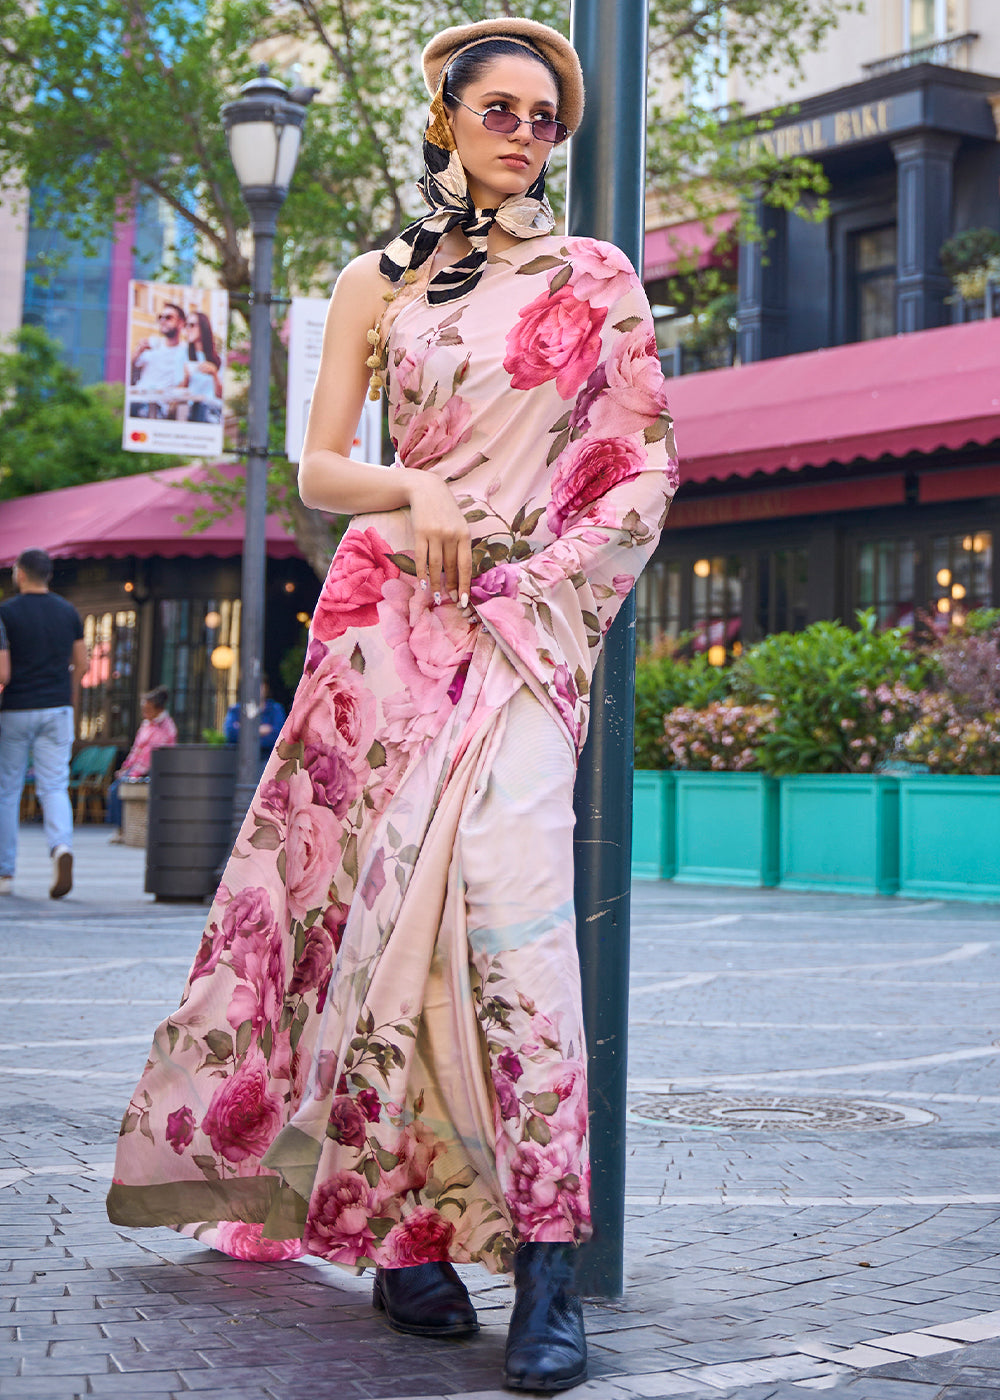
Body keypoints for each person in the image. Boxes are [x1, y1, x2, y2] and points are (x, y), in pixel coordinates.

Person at [108, 17, 677, 1394]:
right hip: (382, 635)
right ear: (447, 117)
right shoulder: (377, 277)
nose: (524, 134)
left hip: (525, 628)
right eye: (500, 109)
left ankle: (546, 1262)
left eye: (546, 117)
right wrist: (414, 486)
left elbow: (640, 468)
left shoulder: (595, 276)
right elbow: (319, 470)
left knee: (517, 935)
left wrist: (534, 581)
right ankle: (403, 1235)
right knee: (377, 933)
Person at [0, 548, 88, 898]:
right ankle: (61, 847)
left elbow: (3, 672)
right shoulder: (68, 611)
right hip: (58, 708)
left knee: (8, 790)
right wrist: (69, 696)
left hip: (17, 708)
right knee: (54, 786)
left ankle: (4, 872)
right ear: (48, 575)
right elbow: (82, 663)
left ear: (20, 573)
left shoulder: (6, 612)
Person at [106, 686, 177, 841]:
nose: (144, 712)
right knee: (114, 789)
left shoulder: (166, 726)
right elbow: (136, 749)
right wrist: (126, 766)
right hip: (136, 768)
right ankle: (121, 827)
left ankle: (124, 829)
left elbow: (152, 756)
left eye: (147, 709)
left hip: (153, 770)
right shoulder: (146, 724)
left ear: (158, 708)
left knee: (118, 788)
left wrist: (133, 773)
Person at [129, 302, 188, 419]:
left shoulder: (185, 351)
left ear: (181, 323)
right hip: (137, 399)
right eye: (160, 317)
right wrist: (138, 351)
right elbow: (127, 368)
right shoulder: (152, 344)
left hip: (158, 406)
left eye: (168, 317)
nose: (163, 321)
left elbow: (184, 382)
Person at [222, 677, 286, 759]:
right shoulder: (235, 710)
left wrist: (244, 728)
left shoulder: (276, 709)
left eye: (259, 685)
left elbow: (277, 737)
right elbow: (231, 734)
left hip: (268, 759)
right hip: (240, 759)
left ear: (266, 688)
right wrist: (261, 730)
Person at [182, 311, 223, 423]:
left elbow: (220, 395)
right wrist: (186, 377)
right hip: (193, 409)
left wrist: (214, 374)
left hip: (213, 409)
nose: (188, 329)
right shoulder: (183, 355)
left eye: (192, 325)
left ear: (203, 327)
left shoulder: (218, 358)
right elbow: (177, 392)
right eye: (186, 325)